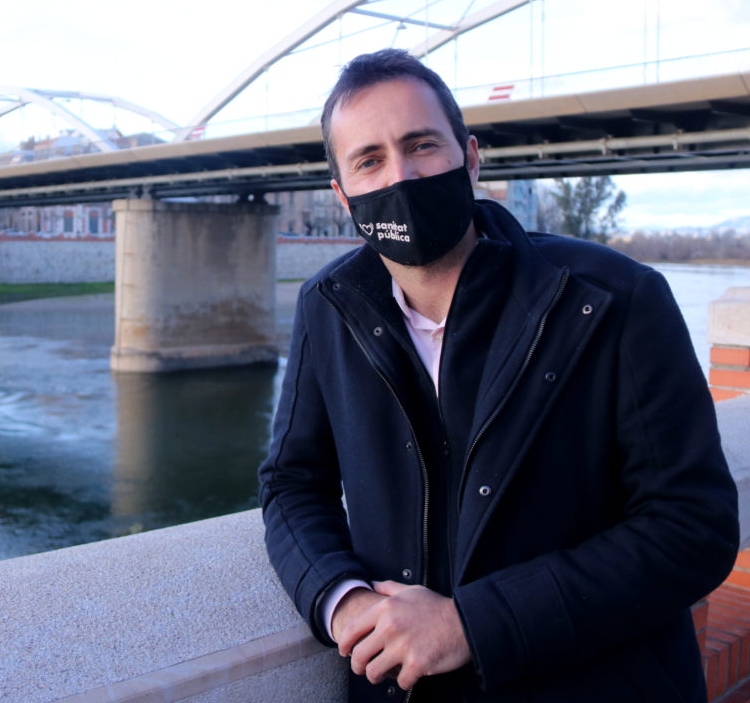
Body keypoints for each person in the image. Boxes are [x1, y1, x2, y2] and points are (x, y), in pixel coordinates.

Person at [258, 48, 739, 701]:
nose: (400, 176)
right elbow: (292, 484)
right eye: (369, 160)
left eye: (422, 145)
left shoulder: (613, 299)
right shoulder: (327, 308)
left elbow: (693, 528)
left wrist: (472, 625)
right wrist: (338, 599)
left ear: (471, 158)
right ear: (343, 195)